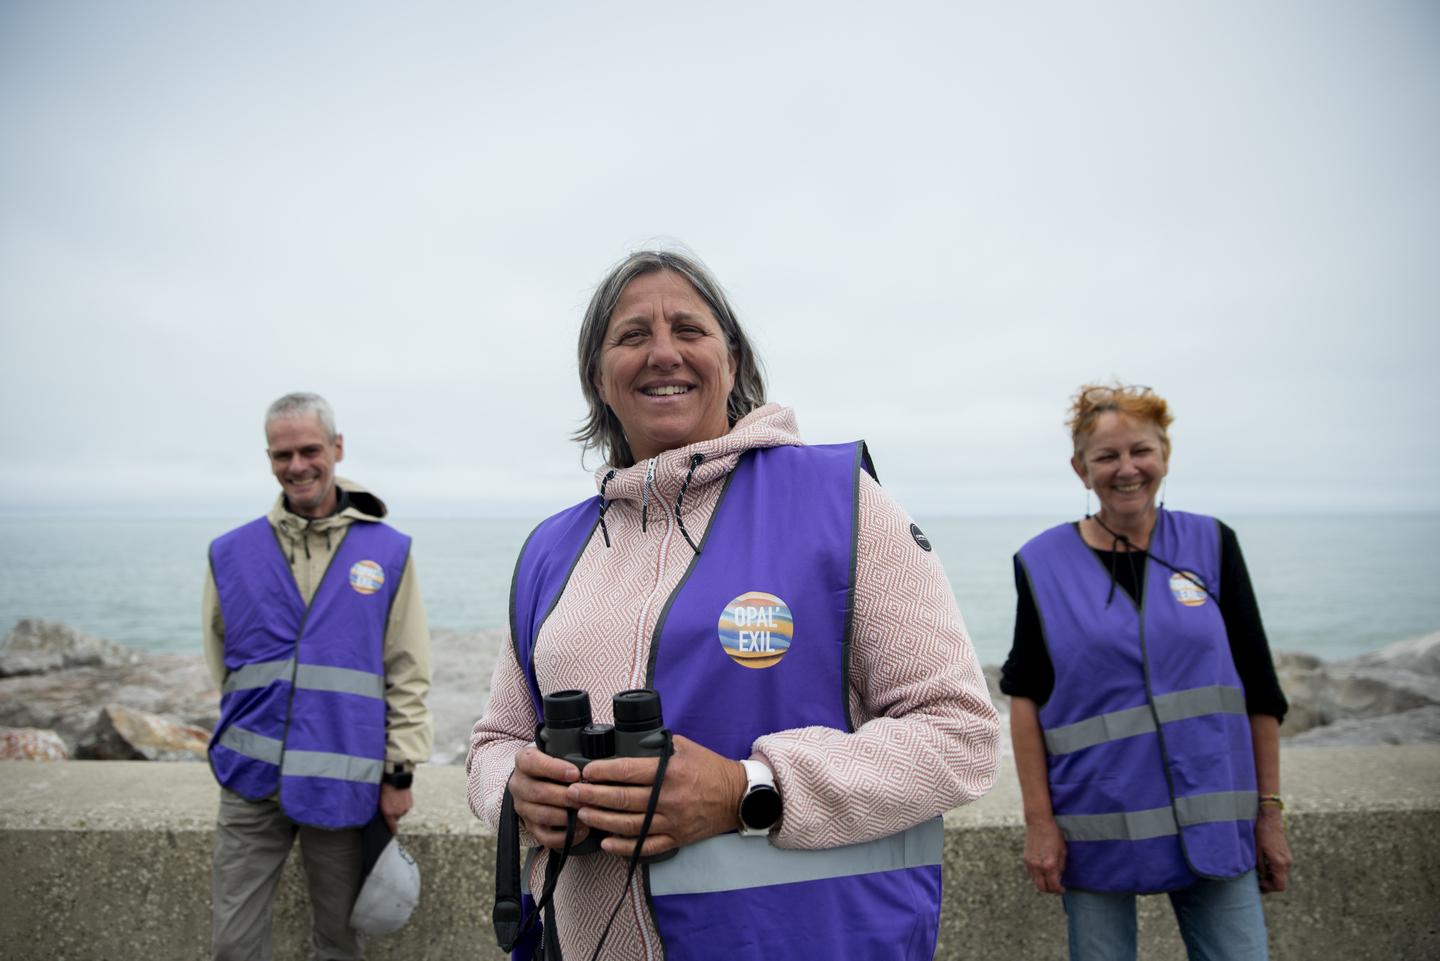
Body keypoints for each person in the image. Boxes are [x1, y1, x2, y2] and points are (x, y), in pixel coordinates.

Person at [467, 250, 1000, 961]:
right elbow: (496, 741)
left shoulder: (838, 503)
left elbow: (961, 733)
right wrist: (517, 788)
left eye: (689, 328)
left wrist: (748, 788)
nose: (663, 352)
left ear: (733, 356)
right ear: (597, 375)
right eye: (631, 336)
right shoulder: (551, 550)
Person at [1001, 383, 1293, 961]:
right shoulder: (1041, 563)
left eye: (1141, 451)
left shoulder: (1212, 544)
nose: (1126, 469)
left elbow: (1260, 689)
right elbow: (1025, 699)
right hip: (1095, 829)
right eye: (1106, 457)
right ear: (1080, 470)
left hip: (1216, 824)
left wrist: (1271, 815)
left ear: (1165, 456)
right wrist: (1039, 825)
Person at [203, 392, 432, 960]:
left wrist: (398, 775)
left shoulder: (388, 551)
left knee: (337, 941)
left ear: (336, 448)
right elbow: (222, 661)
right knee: (233, 944)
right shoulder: (229, 552)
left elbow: (407, 670)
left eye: (309, 450)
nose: (297, 465)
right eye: (282, 455)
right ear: (268, 458)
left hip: (343, 780)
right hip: (249, 781)